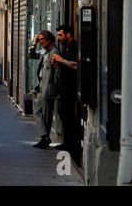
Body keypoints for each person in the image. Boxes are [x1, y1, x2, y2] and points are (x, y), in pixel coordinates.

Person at [50, 25, 81, 163]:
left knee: (68, 115)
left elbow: (77, 65)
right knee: (63, 113)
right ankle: (67, 143)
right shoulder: (66, 47)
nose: (58, 38)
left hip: (71, 87)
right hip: (64, 87)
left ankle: (73, 145)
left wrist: (61, 60)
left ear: (68, 34)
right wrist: (59, 63)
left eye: (60, 35)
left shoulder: (75, 46)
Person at [29, 30, 61, 149]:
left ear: (50, 40)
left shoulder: (54, 52)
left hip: (49, 86)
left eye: (43, 39)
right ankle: (45, 136)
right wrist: (34, 43)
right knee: (37, 111)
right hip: (42, 85)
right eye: (40, 39)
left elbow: (58, 71)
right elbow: (31, 55)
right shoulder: (44, 51)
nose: (40, 41)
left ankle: (45, 138)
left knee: (46, 114)